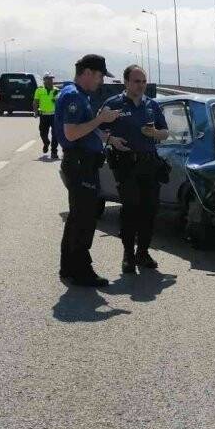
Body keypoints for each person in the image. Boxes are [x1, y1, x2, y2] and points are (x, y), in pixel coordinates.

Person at [54, 54, 124, 287]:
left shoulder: (80, 95)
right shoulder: (74, 95)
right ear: (87, 73)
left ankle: (69, 268)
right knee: (84, 218)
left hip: (83, 163)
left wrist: (107, 136)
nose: (101, 81)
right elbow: (72, 132)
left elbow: (85, 128)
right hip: (80, 164)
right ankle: (81, 270)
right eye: (100, 76)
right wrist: (100, 119)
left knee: (78, 217)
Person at [101, 65, 169, 274]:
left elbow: (165, 133)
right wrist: (111, 139)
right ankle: (128, 255)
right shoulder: (113, 104)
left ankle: (143, 252)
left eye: (143, 81)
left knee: (149, 209)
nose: (141, 85)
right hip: (125, 164)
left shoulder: (152, 105)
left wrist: (154, 134)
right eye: (136, 81)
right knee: (131, 209)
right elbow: (97, 130)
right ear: (126, 82)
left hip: (148, 163)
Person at [33, 73, 59, 158]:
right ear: (44, 81)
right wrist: (36, 111)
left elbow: (59, 103)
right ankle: (46, 142)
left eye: (51, 79)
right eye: (48, 79)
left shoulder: (56, 90)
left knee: (55, 134)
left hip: (54, 115)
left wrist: (56, 100)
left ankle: (54, 151)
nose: (50, 81)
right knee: (43, 132)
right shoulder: (39, 90)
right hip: (43, 115)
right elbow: (35, 102)